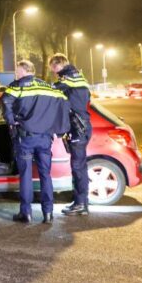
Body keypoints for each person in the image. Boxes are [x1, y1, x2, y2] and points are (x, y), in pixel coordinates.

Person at [1, 60, 70, 224]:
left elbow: (5, 101)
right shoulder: (48, 87)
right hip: (45, 138)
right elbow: (63, 104)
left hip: (25, 138)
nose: (16, 74)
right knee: (45, 174)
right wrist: (58, 129)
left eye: (17, 71)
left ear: (25, 71)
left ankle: (26, 213)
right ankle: (48, 212)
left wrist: (11, 122)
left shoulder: (17, 86)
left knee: (25, 175)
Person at [49, 53, 92, 216]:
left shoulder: (68, 78)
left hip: (78, 127)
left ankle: (81, 204)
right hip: (81, 126)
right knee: (78, 166)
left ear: (58, 65)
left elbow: (53, 91)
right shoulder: (78, 77)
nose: (54, 72)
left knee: (78, 167)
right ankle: (80, 202)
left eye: (54, 68)